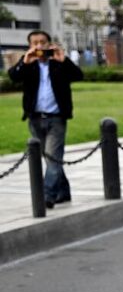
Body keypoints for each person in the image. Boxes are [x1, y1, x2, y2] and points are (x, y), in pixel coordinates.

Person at [7, 30, 83, 210]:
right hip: (35, 119)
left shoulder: (58, 64)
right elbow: (13, 76)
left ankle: (47, 196)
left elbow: (78, 75)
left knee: (53, 158)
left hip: (56, 118)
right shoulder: (29, 65)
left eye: (43, 42)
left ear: (49, 44)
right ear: (30, 45)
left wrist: (63, 60)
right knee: (50, 159)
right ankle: (63, 192)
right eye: (35, 43)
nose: (39, 46)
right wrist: (25, 61)